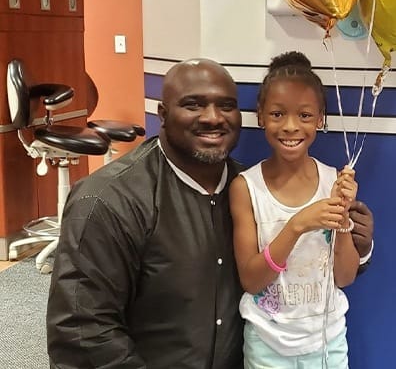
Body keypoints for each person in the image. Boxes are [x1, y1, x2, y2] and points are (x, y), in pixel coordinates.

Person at [46, 57, 374, 369]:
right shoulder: (109, 200)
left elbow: (313, 267)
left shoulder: (246, 185)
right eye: (193, 104)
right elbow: (82, 333)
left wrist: (359, 241)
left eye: (226, 106)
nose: (213, 117)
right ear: (162, 113)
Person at [229, 51, 364, 368]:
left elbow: (344, 277)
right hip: (268, 348)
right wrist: (296, 225)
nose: (290, 126)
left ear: (320, 119)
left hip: (327, 344)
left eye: (304, 116)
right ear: (261, 116)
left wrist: (342, 218)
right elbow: (251, 280)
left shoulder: (333, 180)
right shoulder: (246, 188)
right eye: (277, 114)